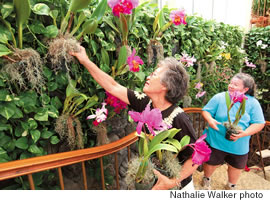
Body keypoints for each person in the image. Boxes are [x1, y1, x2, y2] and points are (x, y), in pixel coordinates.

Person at [69, 46, 198, 190]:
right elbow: (112, 86)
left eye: (154, 74)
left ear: (165, 86)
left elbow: (196, 157)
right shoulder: (145, 103)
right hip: (152, 180)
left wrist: (172, 182)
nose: (148, 77)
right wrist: (85, 60)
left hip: (179, 188)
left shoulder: (179, 117)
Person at [201, 73, 265, 190]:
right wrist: (210, 120)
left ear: (245, 89)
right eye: (231, 83)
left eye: (235, 85)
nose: (231, 86)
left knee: (236, 165)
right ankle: (206, 178)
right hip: (216, 139)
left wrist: (244, 133)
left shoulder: (253, 103)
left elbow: (259, 123)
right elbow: (206, 111)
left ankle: (231, 185)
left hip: (239, 144)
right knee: (211, 162)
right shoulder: (219, 97)